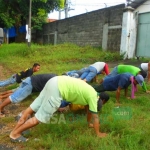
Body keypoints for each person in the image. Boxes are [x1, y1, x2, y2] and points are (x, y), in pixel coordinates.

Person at [10, 76, 110, 142]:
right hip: (58, 89)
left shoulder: (92, 91)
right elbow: (95, 116)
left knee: (32, 107)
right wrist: (98, 133)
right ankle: (15, 134)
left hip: (54, 80)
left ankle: (15, 130)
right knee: (40, 117)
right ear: (98, 103)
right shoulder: (93, 98)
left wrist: (89, 124)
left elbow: (88, 111)